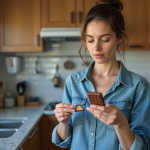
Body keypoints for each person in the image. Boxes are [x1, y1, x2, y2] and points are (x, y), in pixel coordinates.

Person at [52, 0, 150, 149]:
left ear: (119, 38)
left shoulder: (138, 86)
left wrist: (120, 123)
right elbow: (64, 141)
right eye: (90, 40)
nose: (96, 47)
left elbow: (142, 147)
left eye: (105, 39)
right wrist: (63, 123)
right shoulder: (74, 81)